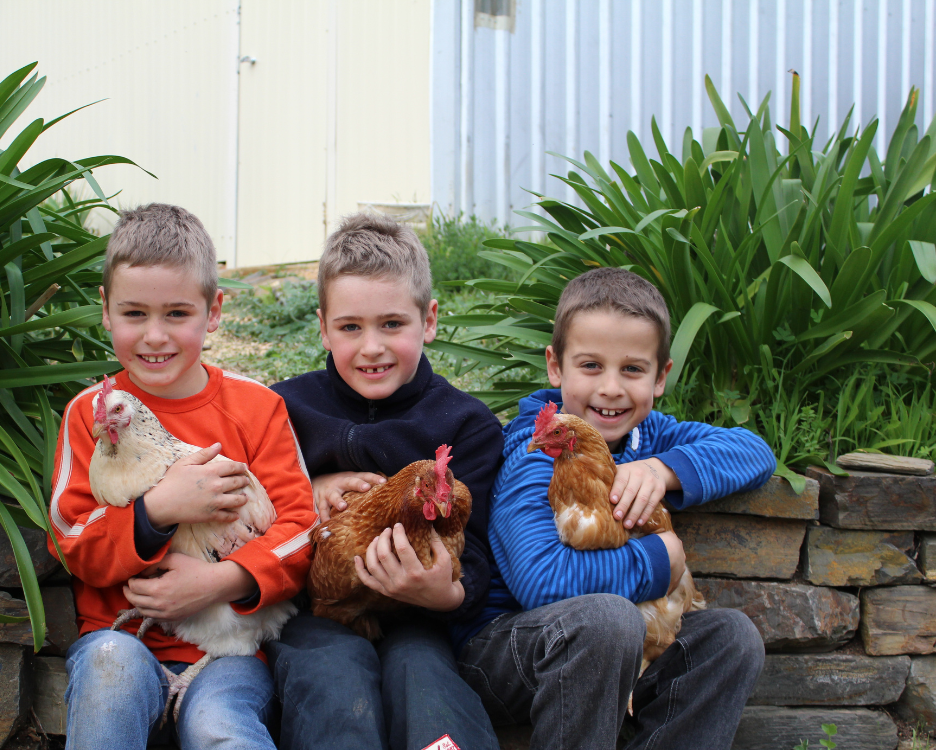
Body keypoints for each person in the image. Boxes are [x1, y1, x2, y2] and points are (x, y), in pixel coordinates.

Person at [455, 267, 773, 749]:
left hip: (616, 646)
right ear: (555, 367)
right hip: (508, 653)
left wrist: (661, 470)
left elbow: (754, 452)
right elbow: (542, 581)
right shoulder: (538, 455)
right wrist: (659, 562)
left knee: (731, 636)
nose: (610, 389)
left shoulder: (649, 436)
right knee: (607, 621)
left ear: (660, 376)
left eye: (632, 369)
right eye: (590, 366)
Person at [49, 204, 316, 750]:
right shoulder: (90, 416)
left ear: (213, 311)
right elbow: (72, 537)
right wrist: (158, 511)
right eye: (134, 314)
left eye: (176, 313)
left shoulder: (257, 408)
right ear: (104, 310)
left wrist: (223, 580)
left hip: (230, 651)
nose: (154, 336)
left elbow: (301, 528)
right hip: (119, 637)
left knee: (222, 729)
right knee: (106, 676)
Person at [268, 212, 505, 750]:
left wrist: (443, 594)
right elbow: (246, 504)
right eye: (351, 327)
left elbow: (481, 555)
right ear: (323, 326)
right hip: (315, 616)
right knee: (333, 685)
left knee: (425, 683)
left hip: (420, 621)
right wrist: (309, 488)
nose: (371, 347)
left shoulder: (464, 424)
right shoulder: (284, 407)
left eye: (392, 324)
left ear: (430, 319)